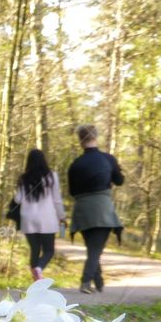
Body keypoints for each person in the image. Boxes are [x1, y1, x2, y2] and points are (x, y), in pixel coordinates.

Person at [67, 125, 124, 294]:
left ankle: (99, 282)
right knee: (95, 249)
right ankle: (85, 282)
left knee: (93, 247)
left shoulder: (75, 164)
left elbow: (72, 191)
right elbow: (120, 181)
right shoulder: (108, 159)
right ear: (96, 137)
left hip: (82, 210)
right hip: (102, 209)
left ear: (80, 140)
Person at [13, 149, 66, 281]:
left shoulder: (23, 179)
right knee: (49, 250)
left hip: (28, 218)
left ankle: (35, 280)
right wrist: (62, 217)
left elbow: (17, 199)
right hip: (46, 218)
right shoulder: (52, 177)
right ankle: (39, 269)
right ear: (44, 160)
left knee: (35, 249)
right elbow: (57, 200)